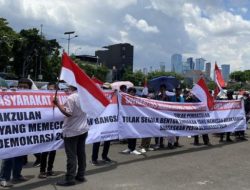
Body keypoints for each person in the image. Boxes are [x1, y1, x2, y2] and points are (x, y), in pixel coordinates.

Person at [53, 85, 89, 186]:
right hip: (83, 129)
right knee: (81, 154)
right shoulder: (83, 96)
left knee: (71, 156)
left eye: (68, 86)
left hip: (72, 131)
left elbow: (68, 113)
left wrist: (58, 104)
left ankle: (70, 179)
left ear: (70, 87)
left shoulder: (71, 97)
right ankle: (80, 175)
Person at [38, 82, 58, 178]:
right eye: (49, 89)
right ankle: (42, 171)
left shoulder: (58, 99)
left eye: (53, 89)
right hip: (45, 129)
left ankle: (50, 169)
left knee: (53, 151)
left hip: (54, 129)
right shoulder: (43, 99)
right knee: (44, 151)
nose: (51, 91)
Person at [121, 87, 142, 155]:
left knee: (134, 134)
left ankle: (133, 148)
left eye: (133, 92)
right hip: (128, 119)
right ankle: (129, 148)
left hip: (135, 120)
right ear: (128, 92)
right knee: (129, 133)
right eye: (130, 92)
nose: (132, 93)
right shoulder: (125, 98)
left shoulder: (137, 99)